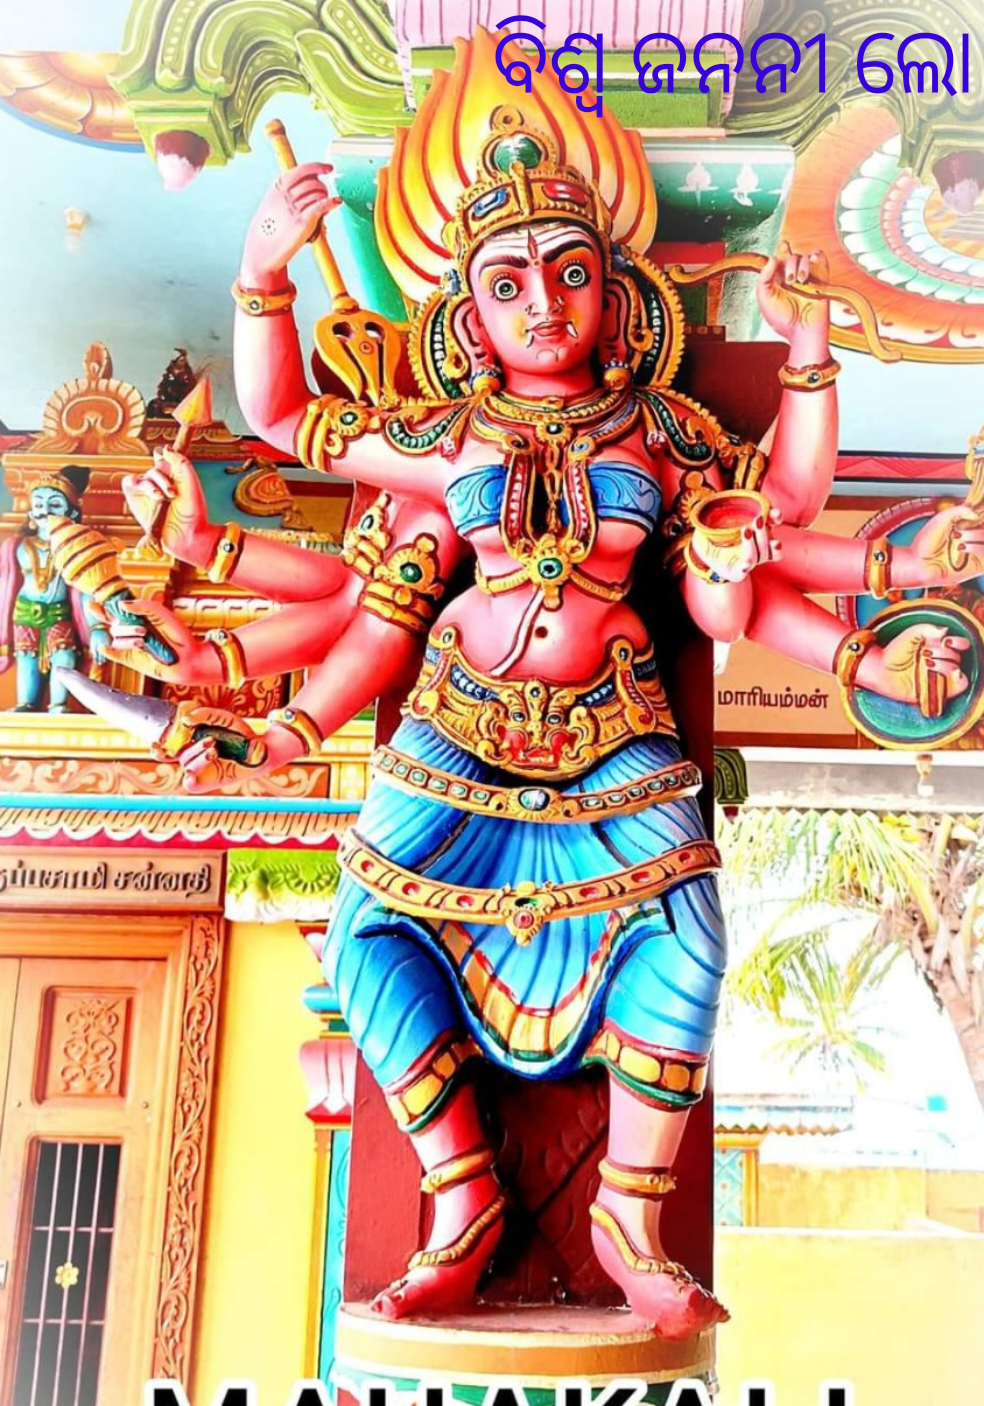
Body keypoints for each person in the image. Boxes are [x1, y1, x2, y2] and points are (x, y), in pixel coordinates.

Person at [111, 34, 984, 1338]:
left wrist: (809, 350)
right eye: (508, 281)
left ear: (613, 297)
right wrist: (260, 275)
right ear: (470, 314)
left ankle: (630, 1216)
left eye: (570, 273)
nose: (541, 303)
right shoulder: (448, 435)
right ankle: (460, 1196)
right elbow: (288, 419)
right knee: (367, 930)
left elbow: (783, 512)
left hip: (615, 732)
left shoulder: (662, 431)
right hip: (457, 726)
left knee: (688, 930)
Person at [0, 468, 110, 711]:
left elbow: (86, 590)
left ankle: (58, 704)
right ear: (31, 512)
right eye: (38, 504)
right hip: (24, 610)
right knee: (26, 657)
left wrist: (97, 628)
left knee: (64, 655)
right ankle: (26, 704)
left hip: (59, 612)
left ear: (72, 512)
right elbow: (4, 585)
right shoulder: (17, 546)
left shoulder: (76, 548)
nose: (45, 510)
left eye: (55, 504)